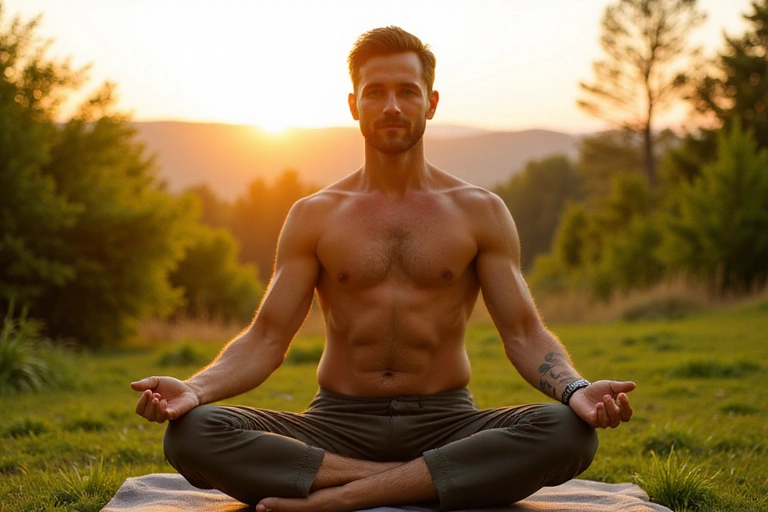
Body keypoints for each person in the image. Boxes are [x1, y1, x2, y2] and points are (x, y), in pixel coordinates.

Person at [132, 26, 635, 512]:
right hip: (335, 425)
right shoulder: (316, 214)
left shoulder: (479, 210)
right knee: (193, 433)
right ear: (353, 104)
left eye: (406, 91)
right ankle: (418, 480)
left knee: (569, 432)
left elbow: (525, 333)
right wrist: (194, 390)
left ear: (431, 103)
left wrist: (575, 390)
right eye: (375, 92)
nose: (391, 106)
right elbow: (266, 338)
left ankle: (344, 496)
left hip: (447, 421)